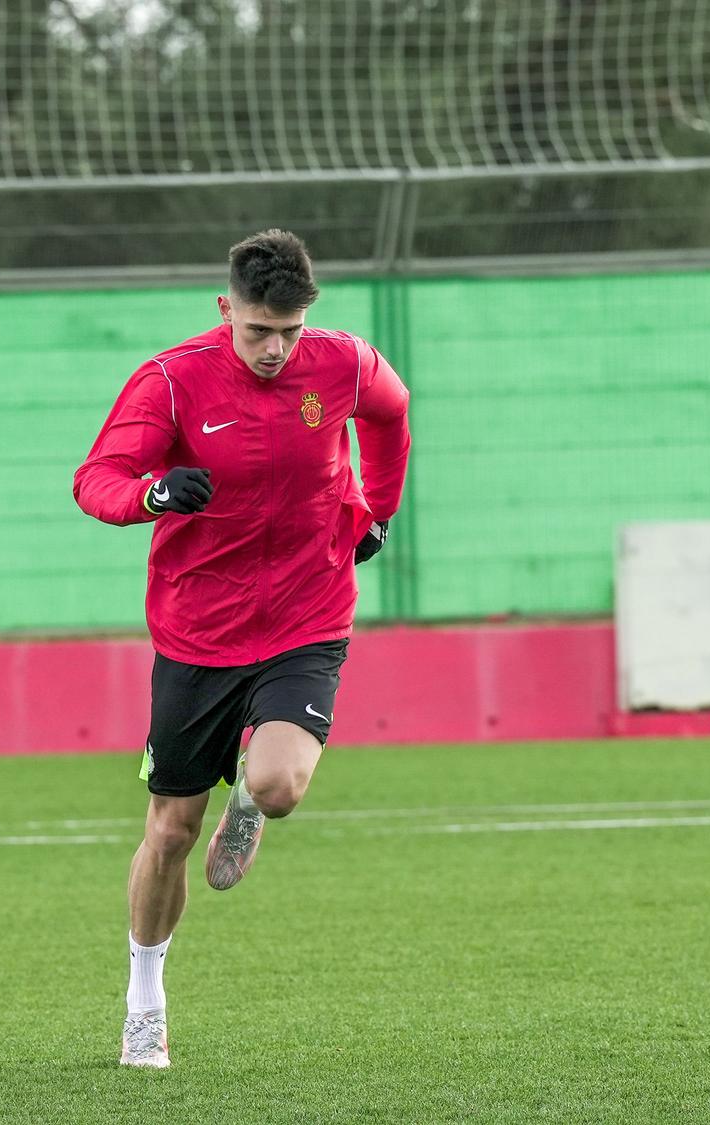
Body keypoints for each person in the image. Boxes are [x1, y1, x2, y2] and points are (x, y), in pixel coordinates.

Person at [72, 228, 412, 1069]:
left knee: (280, 782)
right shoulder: (172, 381)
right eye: (260, 330)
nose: (275, 348)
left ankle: (252, 800)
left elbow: (393, 414)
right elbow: (97, 478)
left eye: (290, 331)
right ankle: (144, 995)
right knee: (173, 828)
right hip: (198, 631)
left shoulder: (343, 363)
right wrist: (151, 493)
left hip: (307, 611)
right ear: (227, 309)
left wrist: (374, 511)